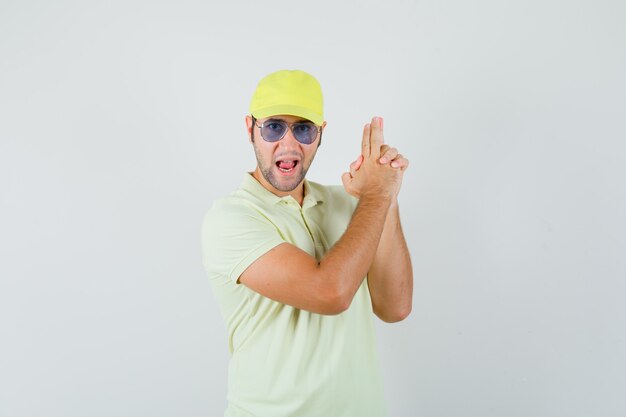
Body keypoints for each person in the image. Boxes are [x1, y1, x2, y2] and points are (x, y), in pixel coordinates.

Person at [202, 69, 412, 417]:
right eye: (273, 127)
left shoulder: (352, 205)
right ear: (250, 129)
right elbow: (329, 292)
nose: (288, 143)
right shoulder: (230, 219)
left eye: (303, 129)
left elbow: (395, 307)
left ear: (320, 134)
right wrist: (375, 195)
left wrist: (385, 195)